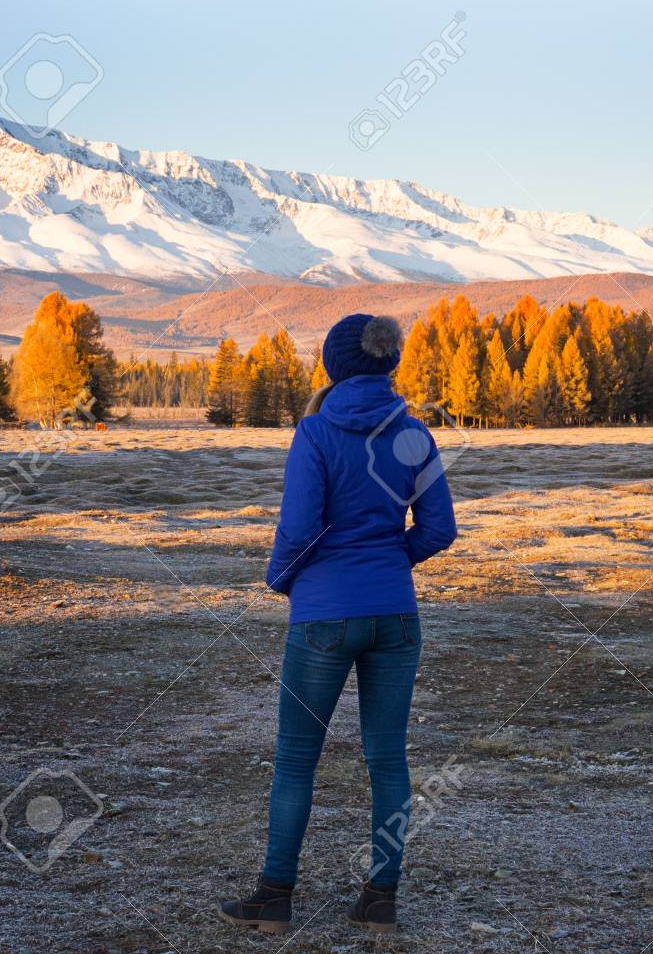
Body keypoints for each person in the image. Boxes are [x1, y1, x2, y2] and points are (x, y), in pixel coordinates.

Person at [218, 313, 457, 936]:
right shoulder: (416, 437)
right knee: (388, 759)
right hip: (396, 616)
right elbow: (439, 529)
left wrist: (280, 578)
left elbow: (299, 528)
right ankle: (381, 898)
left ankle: (274, 897)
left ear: (334, 365)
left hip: (323, 615)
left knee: (297, 760)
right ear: (388, 362)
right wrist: (387, 561)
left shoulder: (316, 433)